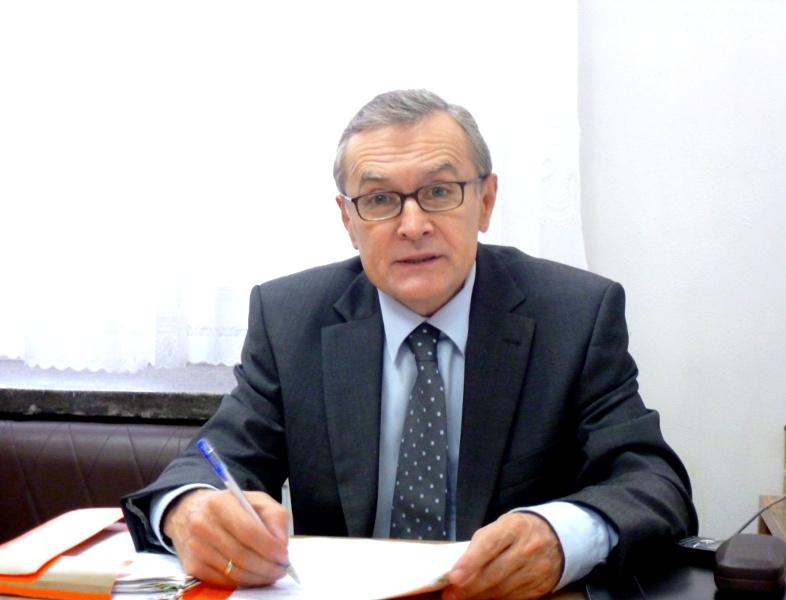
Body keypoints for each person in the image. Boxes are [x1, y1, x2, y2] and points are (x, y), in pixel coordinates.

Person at [122, 89, 697, 599]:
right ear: (348, 220)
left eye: (439, 191)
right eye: (379, 200)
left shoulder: (573, 315)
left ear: (486, 202)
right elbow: (215, 460)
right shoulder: (290, 318)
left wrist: (561, 536)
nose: (413, 224)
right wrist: (190, 511)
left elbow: (652, 482)